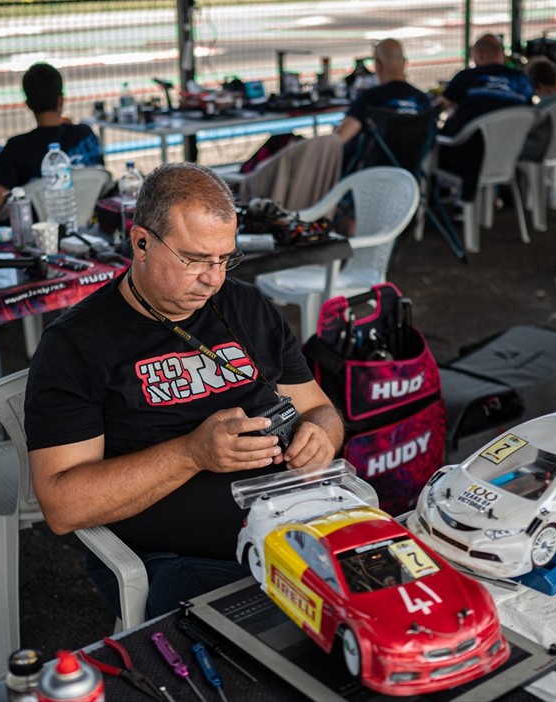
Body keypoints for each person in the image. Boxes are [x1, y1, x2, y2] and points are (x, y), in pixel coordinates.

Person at [25, 162, 344, 619]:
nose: (213, 279)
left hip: (292, 520)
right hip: (178, 557)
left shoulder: (248, 305)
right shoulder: (75, 344)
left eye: (224, 259)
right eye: (194, 259)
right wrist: (191, 454)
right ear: (140, 243)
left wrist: (321, 437)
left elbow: (320, 409)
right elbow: (61, 503)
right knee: (294, 638)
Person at [0, 63, 103, 224]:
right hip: (90, 228)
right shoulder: (85, 135)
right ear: (60, 100)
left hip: (39, 237)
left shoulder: (18, 148)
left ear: (28, 104)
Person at [435, 33, 534, 202]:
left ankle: (446, 199)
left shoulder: (466, 77)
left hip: (466, 157)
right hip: (510, 153)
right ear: (501, 54)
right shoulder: (522, 80)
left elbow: (440, 107)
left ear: (479, 54)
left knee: (435, 141)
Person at [334, 37, 433, 147]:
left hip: (374, 163)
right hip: (411, 164)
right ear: (405, 62)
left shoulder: (370, 98)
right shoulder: (423, 100)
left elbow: (340, 138)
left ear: (378, 64)